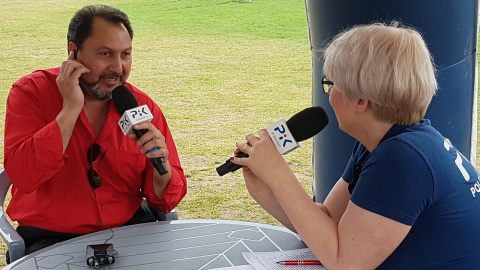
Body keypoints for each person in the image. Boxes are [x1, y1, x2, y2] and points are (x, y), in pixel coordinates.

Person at [229, 22, 480, 269]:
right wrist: (265, 188)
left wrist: (279, 174)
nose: (329, 95)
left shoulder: (403, 157)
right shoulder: (389, 143)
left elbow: (346, 263)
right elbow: (328, 220)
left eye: (331, 84)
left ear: (361, 99)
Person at [3, 4, 187, 260]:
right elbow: (24, 176)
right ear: (73, 51)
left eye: (125, 54)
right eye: (105, 54)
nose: (118, 67)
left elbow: (167, 200)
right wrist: (70, 108)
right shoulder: (31, 93)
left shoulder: (143, 107)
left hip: (129, 232)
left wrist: (160, 171)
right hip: (50, 239)